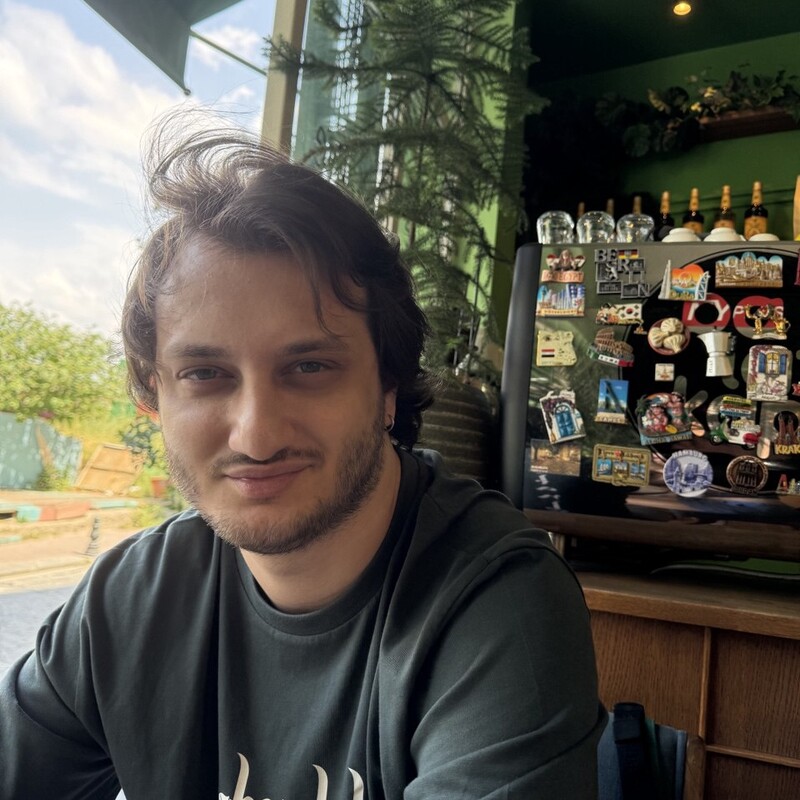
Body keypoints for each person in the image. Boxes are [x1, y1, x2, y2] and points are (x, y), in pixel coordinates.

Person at [0, 114, 605, 799]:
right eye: (205, 374)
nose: (255, 437)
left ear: (387, 385)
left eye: (309, 366)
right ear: (155, 396)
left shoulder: (498, 606)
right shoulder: (131, 598)